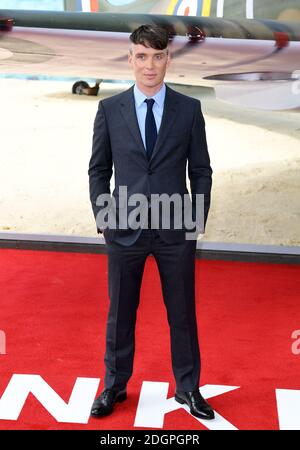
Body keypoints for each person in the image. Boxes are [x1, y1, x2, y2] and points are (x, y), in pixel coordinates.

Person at [88, 24, 214, 420]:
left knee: (182, 312)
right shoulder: (109, 109)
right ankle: (114, 385)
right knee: (120, 311)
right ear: (130, 59)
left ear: (168, 59)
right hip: (124, 229)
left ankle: (189, 388)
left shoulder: (189, 109)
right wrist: (105, 217)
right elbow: (98, 170)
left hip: (176, 231)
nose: (150, 65)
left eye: (157, 56)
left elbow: (202, 171)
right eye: (141, 56)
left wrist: (195, 220)